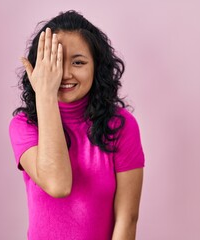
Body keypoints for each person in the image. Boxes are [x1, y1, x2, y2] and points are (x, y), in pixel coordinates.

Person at [9, 10, 145, 240]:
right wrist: (45, 95)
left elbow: (127, 218)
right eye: (54, 63)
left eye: (78, 62)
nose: (64, 74)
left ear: (96, 67)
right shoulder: (24, 125)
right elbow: (58, 184)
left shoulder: (122, 125)